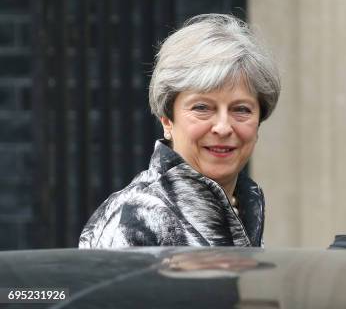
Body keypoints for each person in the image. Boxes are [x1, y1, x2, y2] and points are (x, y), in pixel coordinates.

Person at [79, 13, 280, 248]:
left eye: (242, 109)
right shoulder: (136, 216)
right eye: (202, 107)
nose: (223, 127)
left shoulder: (245, 204)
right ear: (167, 120)